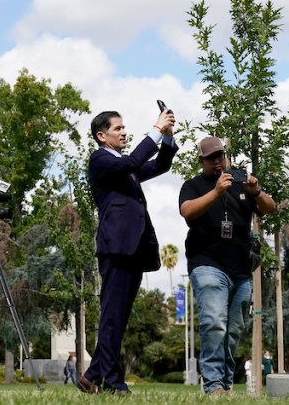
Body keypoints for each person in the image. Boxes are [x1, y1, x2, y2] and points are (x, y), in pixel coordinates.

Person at [78, 108, 177, 395]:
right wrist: (156, 129)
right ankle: (112, 382)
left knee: (118, 317)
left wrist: (167, 139)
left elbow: (158, 166)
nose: (124, 132)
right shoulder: (100, 160)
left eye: (124, 128)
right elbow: (136, 159)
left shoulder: (124, 166)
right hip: (116, 249)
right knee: (112, 316)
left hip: (134, 249)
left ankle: (92, 376)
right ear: (101, 135)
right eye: (118, 129)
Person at [179, 136, 276, 396]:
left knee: (233, 330)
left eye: (220, 156)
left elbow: (270, 208)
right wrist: (216, 191)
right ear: (201, 161)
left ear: (226, 156)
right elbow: (187, 211)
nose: (217, 162)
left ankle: (224, 383)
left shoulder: (242, 182)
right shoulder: (194, 185)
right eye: (210, 158)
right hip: (207, 263)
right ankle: (212, 386)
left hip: (241, 269)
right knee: (214, 322)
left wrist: (255, 192)